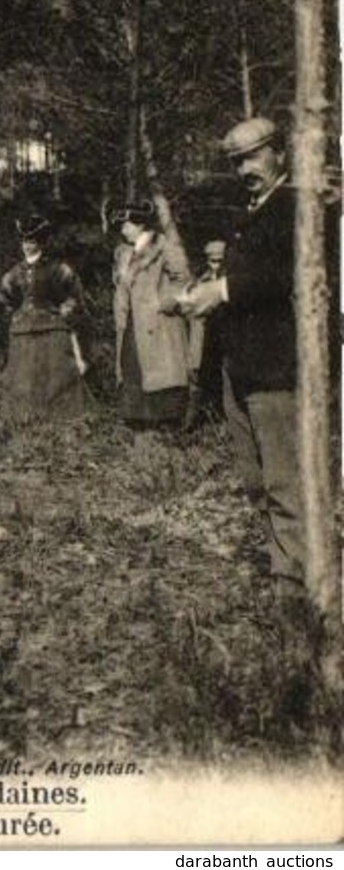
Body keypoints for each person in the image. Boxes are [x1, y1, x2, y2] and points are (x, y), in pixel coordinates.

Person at [177, 117, 320, 630]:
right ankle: (288, 570)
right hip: (242, 367)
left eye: (253, 157)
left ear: (279, 152)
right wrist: (204, 297)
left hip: (281, 367)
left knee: (285, 482)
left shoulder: (298, 207)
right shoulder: (249, 214)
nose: (244, 170)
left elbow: (295, 274)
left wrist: (225, 291)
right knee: (255, 481)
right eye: (237, 161)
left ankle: (299, 594)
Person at [0, 215, 86, 423]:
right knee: (23, 381)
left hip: (53, 332)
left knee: (56, 379)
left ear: (41, 242)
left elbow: (74, 297)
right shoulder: (13, 274)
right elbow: (3, 299)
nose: (28, 246)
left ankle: (59, 424)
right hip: (22, 334)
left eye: (33, 241)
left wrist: (61, 315)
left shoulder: (58, 269)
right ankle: (26, 424)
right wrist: (17, 316)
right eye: (25, 241)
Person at [111, 200, 192, 429]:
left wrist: (166, 301)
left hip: (160, 325)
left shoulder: (165, 246)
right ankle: (139, 425)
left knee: (161, 377)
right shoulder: (124, 253)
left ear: (140, 225)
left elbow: (184, 280)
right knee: (133, 369)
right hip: (132, 323)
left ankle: (166, 427)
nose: (122, 229)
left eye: (126, 224)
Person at [183, 240, 228, 432]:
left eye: (219, 260)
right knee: (197, 380)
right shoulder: (200, 280)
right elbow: (186, 306)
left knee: (224, 381)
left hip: (223, 340)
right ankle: (191, 425)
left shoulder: (231, 282)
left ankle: (223, 423)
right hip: (202, 338)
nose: (216, 265)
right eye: (212, 260)